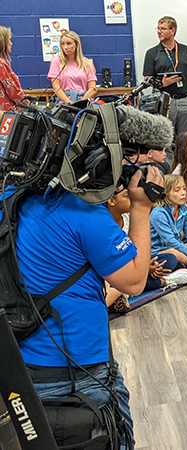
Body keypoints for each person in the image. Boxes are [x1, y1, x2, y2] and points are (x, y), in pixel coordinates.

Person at [15, 165, 164, 447]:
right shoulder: (84, 211)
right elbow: (133, 282)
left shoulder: (15, 196)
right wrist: (141, 209)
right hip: (80, 369)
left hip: (19, 362)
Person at [105, 183, 187, 308]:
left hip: (133, 268)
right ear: (111, 201)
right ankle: (163, 281)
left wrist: (148, 267)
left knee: (169, 259)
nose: (132, 199)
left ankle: (126, 290)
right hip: (112, 273)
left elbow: (139, 251)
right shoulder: (104, 226)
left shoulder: (130, 218)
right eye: (127, 196)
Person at [143, 16, 187, 136]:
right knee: (164, 139)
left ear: (172, 31)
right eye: (158, 28)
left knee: (186, 139)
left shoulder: (186, 50)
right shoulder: (152, 53)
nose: (159, 31)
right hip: (164, 101)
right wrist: (163, 84)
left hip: (185, 100)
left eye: (163, 29)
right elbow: (146, 80)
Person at [47, 30, 98, 104]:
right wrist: (70, 103)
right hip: (64, 103)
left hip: (83, 101)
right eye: (62, 44)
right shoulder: (56, 62)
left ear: (76, 45)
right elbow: (56, 88)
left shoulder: (87, 63)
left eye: (69, 44)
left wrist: (81, 103)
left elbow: (93, 88)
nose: (65, 47)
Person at [0, 25, 24, 113]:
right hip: (6, 115)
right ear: (2, 42)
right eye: (9, 40)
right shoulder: (1, 64)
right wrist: (27, 103)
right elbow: (13, 91)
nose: (11, 43)